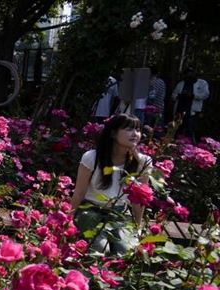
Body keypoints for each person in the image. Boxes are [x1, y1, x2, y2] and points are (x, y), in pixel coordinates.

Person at [69, 114, 152, 255]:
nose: (135, 134)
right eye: (129, 129)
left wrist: (138, 228)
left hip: (120, 214)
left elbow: (140, 199)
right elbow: (79, 192)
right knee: (99, 248)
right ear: (113, 133)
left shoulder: (143, 162)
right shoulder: (92, 157)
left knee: (126, 250)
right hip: (91, 210)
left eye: (138, 130)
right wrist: (68, 220)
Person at [172, 67, 210, 144]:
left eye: (190, 75)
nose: (188, 77)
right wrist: (179, 96)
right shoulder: (180, 84)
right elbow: (173, 95)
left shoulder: (202, 83)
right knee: (176, 131)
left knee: (190, 131)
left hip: (192, 112)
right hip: (179, 111)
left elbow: (206, 95)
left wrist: (193, 95)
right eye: (186, 75)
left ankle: (192, 147)